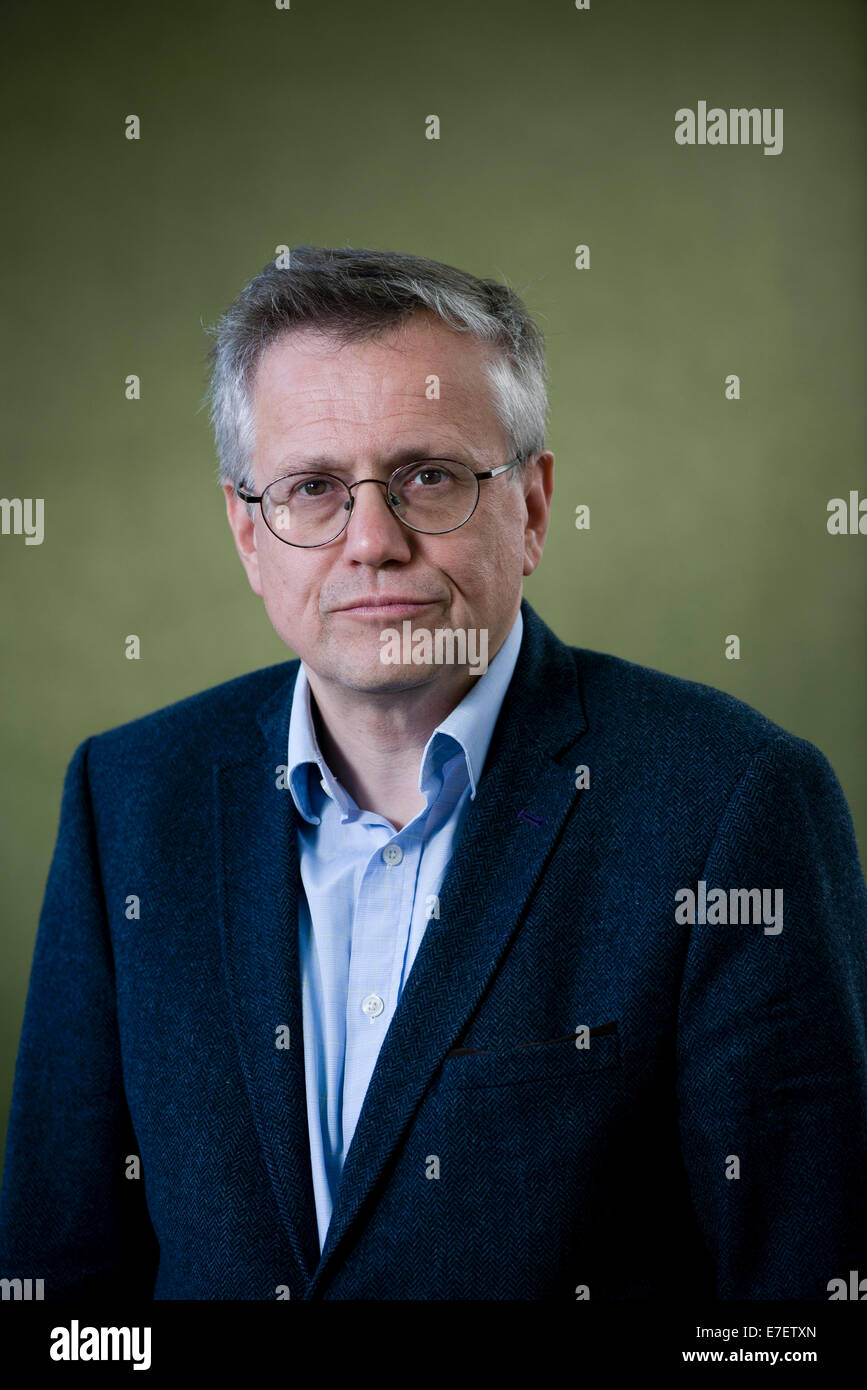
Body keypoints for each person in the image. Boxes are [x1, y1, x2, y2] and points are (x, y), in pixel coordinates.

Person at [1, 246, 865, 1300]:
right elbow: (61, 1292)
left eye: (427, 477)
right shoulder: (126, 801)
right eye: (313, 487)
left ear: (534, 507)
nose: (372, 539)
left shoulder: (734, 801)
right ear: (247, 532)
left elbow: (802, 1309)